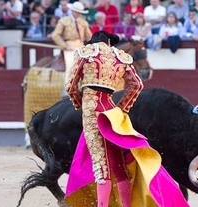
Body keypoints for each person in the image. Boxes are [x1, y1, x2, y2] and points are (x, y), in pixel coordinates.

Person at [64, 30, 190, 207]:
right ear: (109, 42)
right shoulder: (120, 56)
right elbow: (137, 85)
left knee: (102, 165)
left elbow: (70, 86)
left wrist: (81, 104)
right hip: (111, 112)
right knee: (117, 164)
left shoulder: (85, 53)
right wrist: (121, 109)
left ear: (93, 42)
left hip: (92, 110)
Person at [51, 1, 92, 86]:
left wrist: (92, 46)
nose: (77, 14)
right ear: (72, 11)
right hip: (69, 46)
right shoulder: (64, 21)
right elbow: (55, 35)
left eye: (79, 12)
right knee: (70, 67)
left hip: (81, 47)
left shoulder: (83, 22)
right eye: (76, 11)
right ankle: (68, 89)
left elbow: (89, 37)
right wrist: (64, 46)